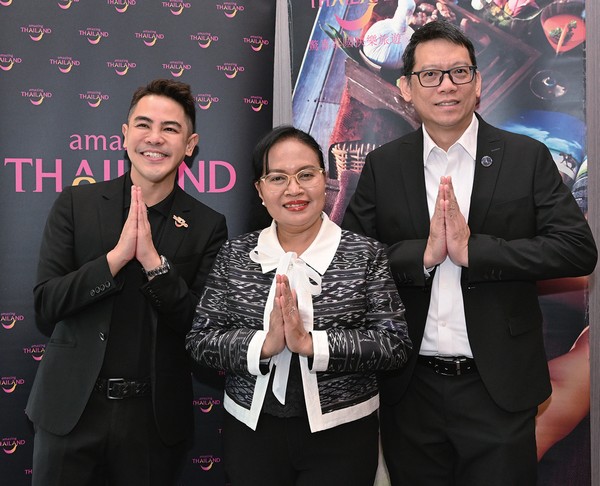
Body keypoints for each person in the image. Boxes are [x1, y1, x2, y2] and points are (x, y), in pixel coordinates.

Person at [342, 21, 597, 486]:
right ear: (406, 89)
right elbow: (351, 263)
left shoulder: (526, 157)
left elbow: (577, 250)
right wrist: (423, 255)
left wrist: (474, 251)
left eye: (459, 72)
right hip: (410, 388)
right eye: (430, 75)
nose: (447, 86)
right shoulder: (384, 165)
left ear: (477, 83)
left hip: (498, 387)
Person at [26, 79, 228, 486]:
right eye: (143, 125)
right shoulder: (76, 204)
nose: (155, 138)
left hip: (152, 422)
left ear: (190, 145)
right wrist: (115, 260)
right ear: (124, 134)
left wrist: (155, 266)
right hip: (70, 411)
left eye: (170, 128)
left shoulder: (208, 226)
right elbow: (46, 305)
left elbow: (201, 326)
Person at [185, 125, 411, 486]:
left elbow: (394, 344)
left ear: (325, 179)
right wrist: (264, 344)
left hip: (344, 433)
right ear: (260, 190)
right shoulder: (235, 255)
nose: (294, 189)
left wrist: (311, 344)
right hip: (251, 432)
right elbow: (200, 341)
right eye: (278, 178)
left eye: (306, 174)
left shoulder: (365, 254)